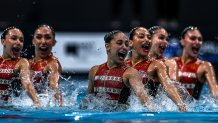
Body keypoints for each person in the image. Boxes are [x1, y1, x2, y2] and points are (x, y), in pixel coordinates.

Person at [80, 30, 152, 111]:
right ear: (108, 46)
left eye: (126, 44)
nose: (124, 47)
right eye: (119, 43)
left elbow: (144, 98)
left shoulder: (130, 73)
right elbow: (89, 98)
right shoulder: (94, 71)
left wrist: (153, 114)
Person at [126, 27, 186, 111]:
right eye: (161, 38)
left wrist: (182, 107)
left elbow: (170, 86)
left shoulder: (158, 65)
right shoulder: (125, 65)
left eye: (149, 37)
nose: (165, 42)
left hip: (150, 110)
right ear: (130, 43)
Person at [173, 26, 218, 100]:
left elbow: (215, 89)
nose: (197, 42)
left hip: (192, 110)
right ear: (182, 41)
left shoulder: (204, 66)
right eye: (193, 38)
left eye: (200, 39)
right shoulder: (172, 62)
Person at [0, 27, 39, 107]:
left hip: (12, 110)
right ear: (3, 41)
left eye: (21, 40)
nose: (18, 43)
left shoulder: (22, 63)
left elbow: (27, 83)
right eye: (14, 38)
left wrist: (36, 101)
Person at [29, 24, 62, 107]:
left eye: (47, 37)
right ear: (33, 41)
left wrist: (60, 105)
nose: (43, 41)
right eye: (39, 37)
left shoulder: (53, 64)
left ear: (54, 42)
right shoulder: (27, 63)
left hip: (43, 106)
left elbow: (54, 87)